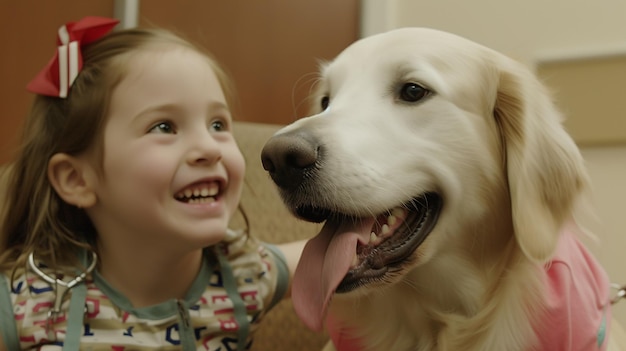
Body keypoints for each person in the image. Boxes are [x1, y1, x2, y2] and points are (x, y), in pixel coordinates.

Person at [0, 16, 304, 351]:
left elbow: (341, 254)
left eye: (217, 124)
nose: (208, 148)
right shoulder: (27, 305)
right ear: (77, 180)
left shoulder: (245, 272)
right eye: (164, 127)